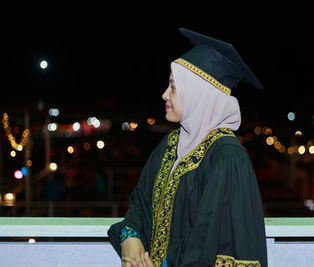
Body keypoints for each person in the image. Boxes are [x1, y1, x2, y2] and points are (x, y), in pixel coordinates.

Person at [108, 27, 268, 267]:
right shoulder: (170, 144)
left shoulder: (227, 156)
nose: (164, 94)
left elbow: (211, 242)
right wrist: (130, 237)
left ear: (199, 94)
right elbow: (140, 204)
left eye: (174, 86)